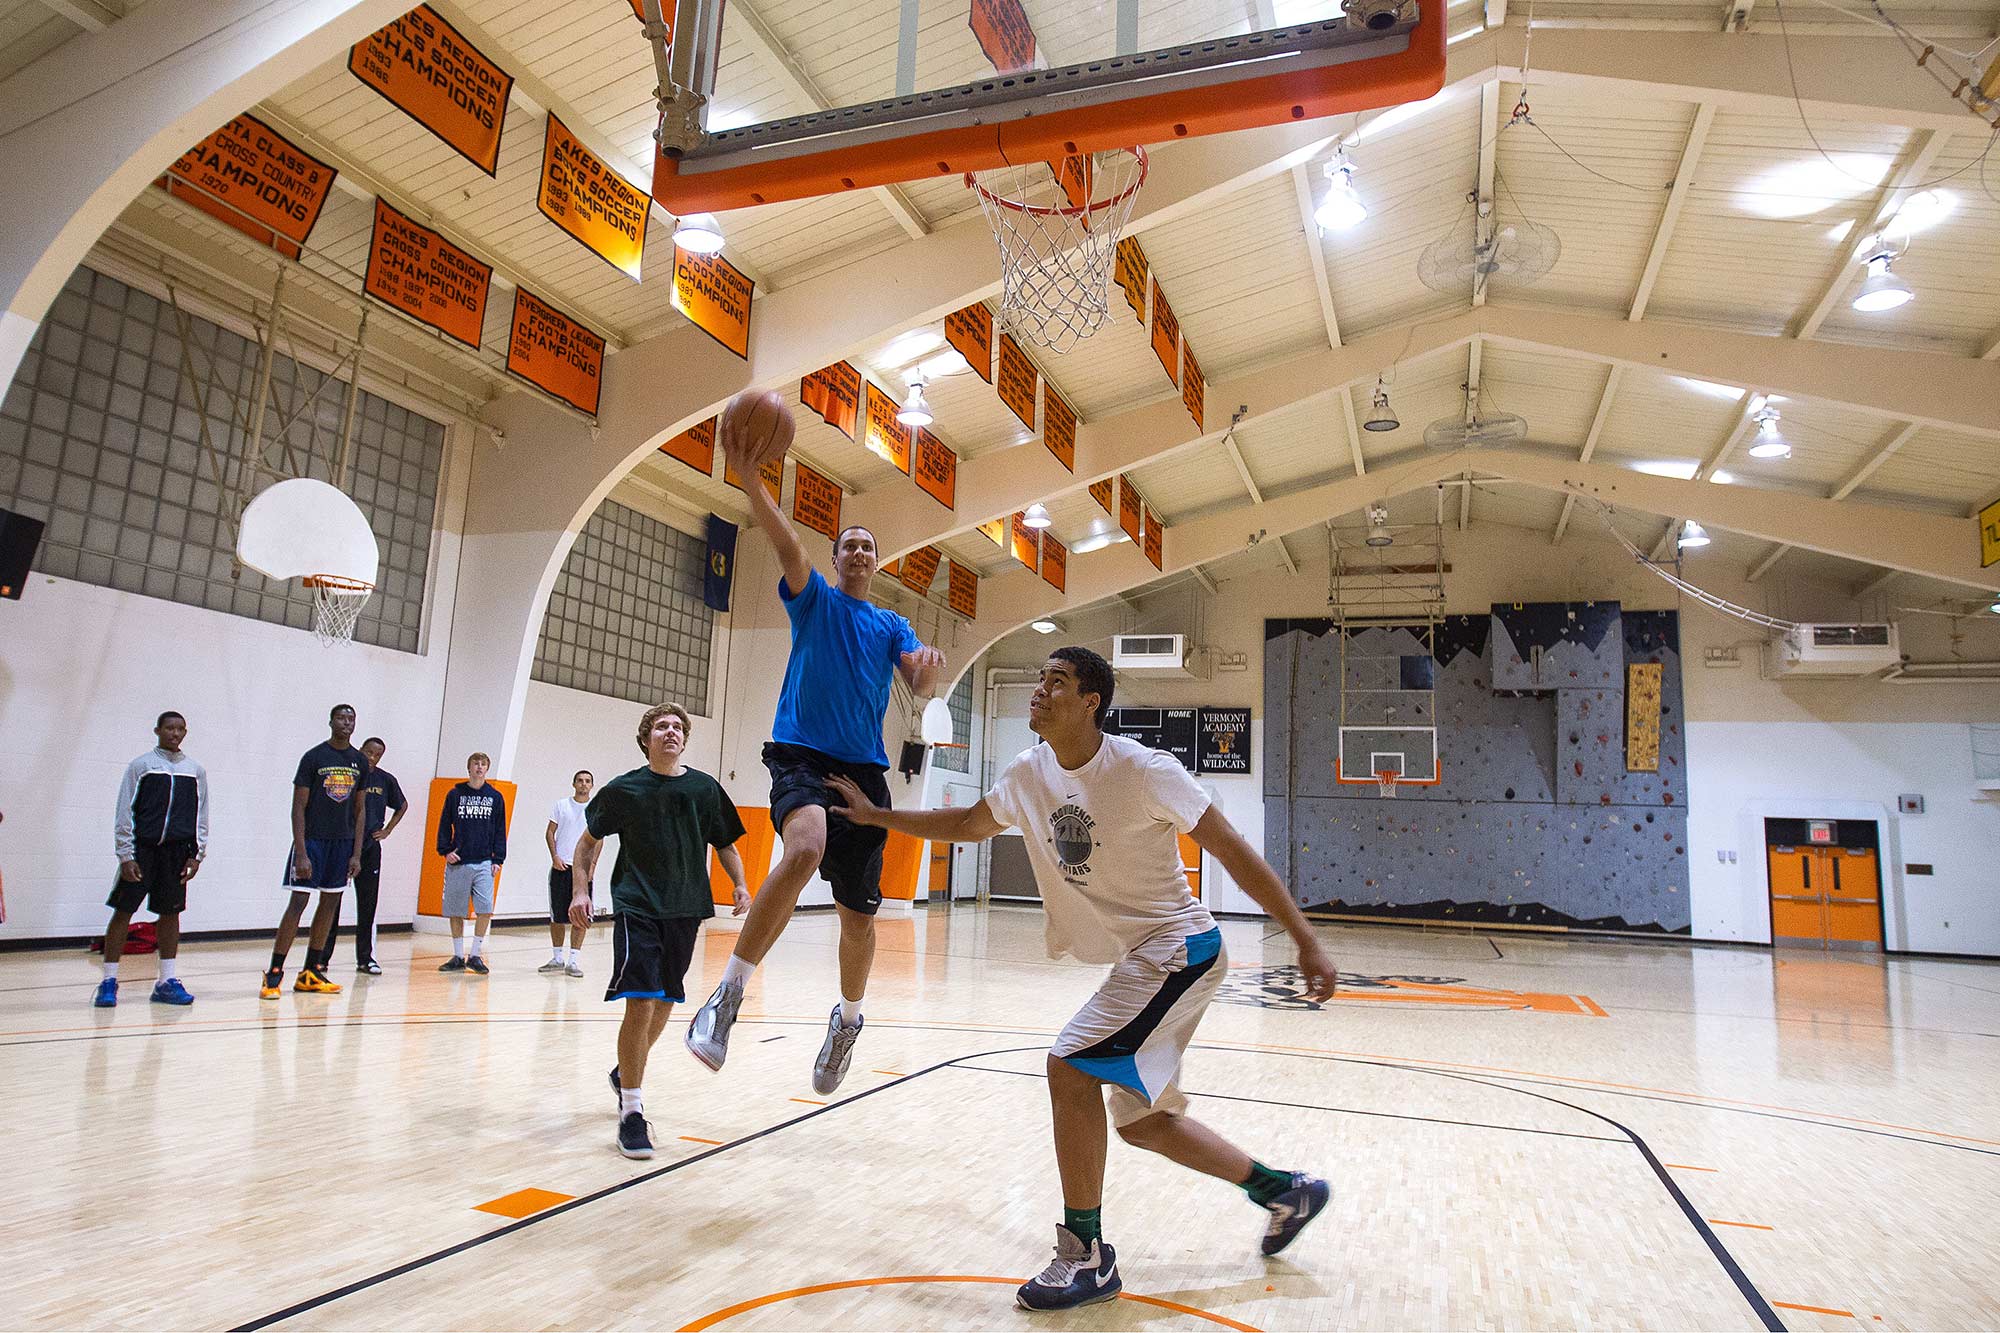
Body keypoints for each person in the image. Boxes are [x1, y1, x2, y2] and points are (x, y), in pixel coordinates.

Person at [829, 646, 1338, 1312]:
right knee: (1143, 1122)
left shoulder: (1143, 769)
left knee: (1069, 1067)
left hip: (1180, 949)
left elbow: (1234, 850)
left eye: (1057, 682)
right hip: (1145, 959)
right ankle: (1283, 1189)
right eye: (1039, 678)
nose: (1039, 690)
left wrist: (1305, 938)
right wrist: (877, 817)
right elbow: (964, 824)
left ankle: (1086, 1255)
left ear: (1091, 700)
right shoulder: (1027, 772)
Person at [686, 388, 944, 1095]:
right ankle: (728, 994)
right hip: (801, 755)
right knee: (802, 846)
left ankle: (848, 1019)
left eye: (868, 545)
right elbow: (785, 541)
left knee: (859, 923)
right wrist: (749, 479)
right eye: (849, 543)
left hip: (864, 772)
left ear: (877, 563)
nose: (858, 550)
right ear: (836, 559)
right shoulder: (815, 599)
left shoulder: (890, 624)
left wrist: (925, 673)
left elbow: (918, 678)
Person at [572, 703, 748, 1159]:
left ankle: (623, 1071)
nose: (670, 732)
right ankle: (632, 1111)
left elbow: (724, 844)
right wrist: (580, 891)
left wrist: (742, 886)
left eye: (677, 727)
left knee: (667, 1000)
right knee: (643, 999)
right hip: (637, 905)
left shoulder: (704, 788)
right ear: (646, 737)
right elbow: (588, 841)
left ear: (685, 739)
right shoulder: (624, 789)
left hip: (686, 909)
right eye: (661, 726)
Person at [96, 711, 208, 1007]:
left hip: (177, 853)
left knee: (170, 914)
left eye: (180, 729)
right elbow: (124, 810)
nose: (175, 733)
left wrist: (197, 855)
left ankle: (166, 981)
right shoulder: (141, 766)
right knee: (124, 911)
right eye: (169, 728)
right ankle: (108, 980)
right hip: (142, 850)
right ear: (157, 730)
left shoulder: (195, 770)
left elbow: (202, 816)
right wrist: (125, 854)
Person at [263, 703, 369, 999]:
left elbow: (360, 811)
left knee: (330, 904)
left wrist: (357, 853)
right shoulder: (314, 757)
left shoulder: (359, 761)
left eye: (351, 719)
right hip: (313, 841)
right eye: (341, 718)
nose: (346, 723)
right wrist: (301, 850)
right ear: (330, 721)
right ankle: (274, 973)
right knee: (298, 903)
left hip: (342, 843)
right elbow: (298, 805)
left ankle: (311, 971)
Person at [436, 752, 507, 975]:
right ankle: (457, 956)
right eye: (475, 763)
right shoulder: (455, 794)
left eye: (483, 764)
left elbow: (499, 830)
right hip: (459, 861)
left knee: (485, 909)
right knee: (456, 911)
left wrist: (498, 858)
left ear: (487, 768)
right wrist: (445, 850)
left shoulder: (495, 797)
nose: (479, 767)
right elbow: (444, 824)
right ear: (469, 768)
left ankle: (475, 955)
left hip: (485, 861)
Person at [344, 736, 407, 975]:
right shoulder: (348, 776)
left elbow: (402, 805)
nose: (371, 757)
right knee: (332, 901)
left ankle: (365, 958)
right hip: (346, 843)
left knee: (368, 904)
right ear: (361, 750)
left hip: (370, 846)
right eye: (368, 752)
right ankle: (321, 960)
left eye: (377, 754)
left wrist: (388, 829)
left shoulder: (385, 779)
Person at [543, 770, 595, 976]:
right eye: (580, 781)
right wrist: (554, 856)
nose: (583, 784)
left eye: (587, 781)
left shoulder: (595, 808)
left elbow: (598, 840)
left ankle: (573, 961)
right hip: (561, 867)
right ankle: (557, 958)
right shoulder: (561, 806)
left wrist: (592, 866)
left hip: (582, 871)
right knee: (557, 915)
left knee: (581, 916)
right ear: (574, 784)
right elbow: (549, 832)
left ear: (591, 785)